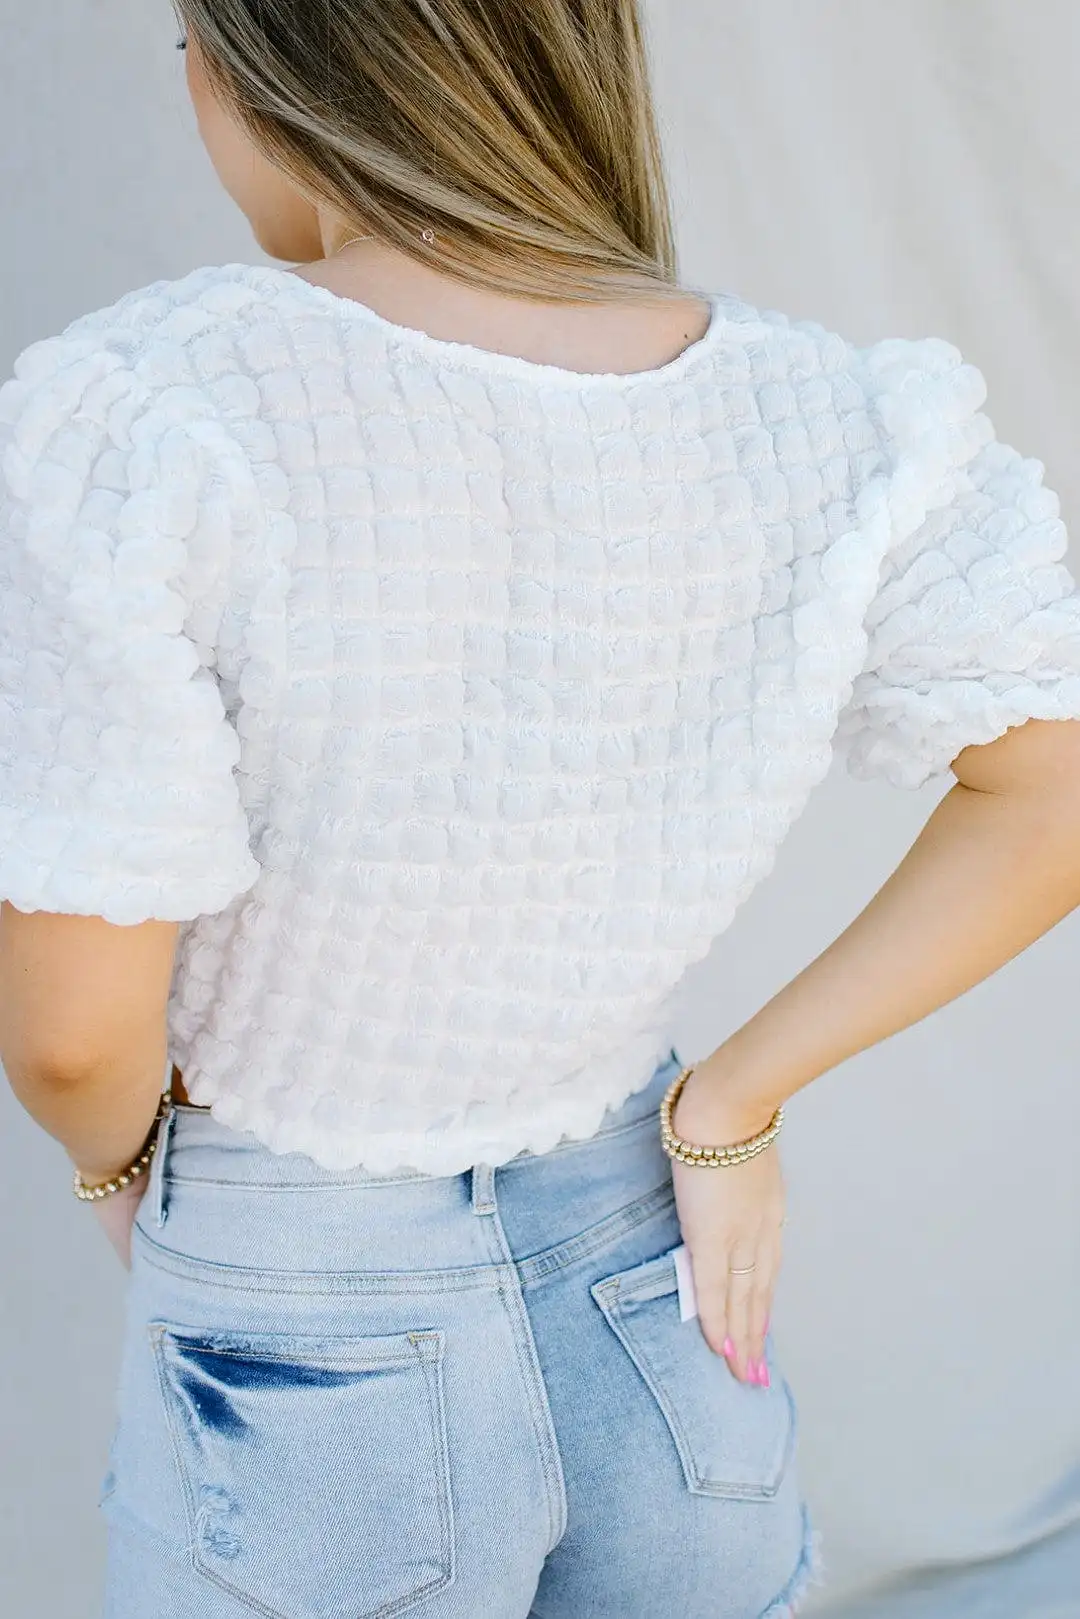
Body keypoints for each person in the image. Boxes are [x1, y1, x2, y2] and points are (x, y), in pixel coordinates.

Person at [3, 3, 1080, 1616]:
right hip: (661, 1270)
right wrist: (738, 1095)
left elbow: (76, 1032)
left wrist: (125, 1185)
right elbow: (1051, 790)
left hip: (301, 1302)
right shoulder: (839, 420)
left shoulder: (149, 411)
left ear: (262, 70)